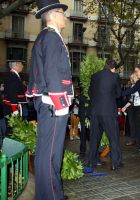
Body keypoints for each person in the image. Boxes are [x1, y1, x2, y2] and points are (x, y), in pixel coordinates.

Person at [26, 1, 72, 199]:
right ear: (52, 15)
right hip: (53, 103)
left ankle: (48, 194)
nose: (65, 17)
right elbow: (52, 71)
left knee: (47, 153)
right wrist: (59, 102)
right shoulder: (52, 38)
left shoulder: (45, 37)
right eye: (62, 13)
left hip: (48, 103)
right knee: (51, 155)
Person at [89, 59, 123, 170]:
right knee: (113, 137)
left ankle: (92, 161)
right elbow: (118, 94)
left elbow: (90, 93)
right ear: (113, 68)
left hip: (95, 112)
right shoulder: (115, 77)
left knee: (94, 138)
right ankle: (115, 163)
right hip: (108, 112)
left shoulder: (94, 76)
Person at [121, 73, 140, 151]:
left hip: (139, 107)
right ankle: (137, 142)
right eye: (131, 78)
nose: (132, 79)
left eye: (133, 77)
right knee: (134, 125)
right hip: (133, 107)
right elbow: (131, 99)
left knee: (139, 126)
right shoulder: (133, 87)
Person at [2, 60, 26, 129]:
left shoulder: (12, 75)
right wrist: (15, 110)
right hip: (12, 108)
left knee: (12, 129)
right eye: (21, 64)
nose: (22, 66)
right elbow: (12, 94)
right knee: (12, 130)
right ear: (16, 65)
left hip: (11, 106)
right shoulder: (13, 77)